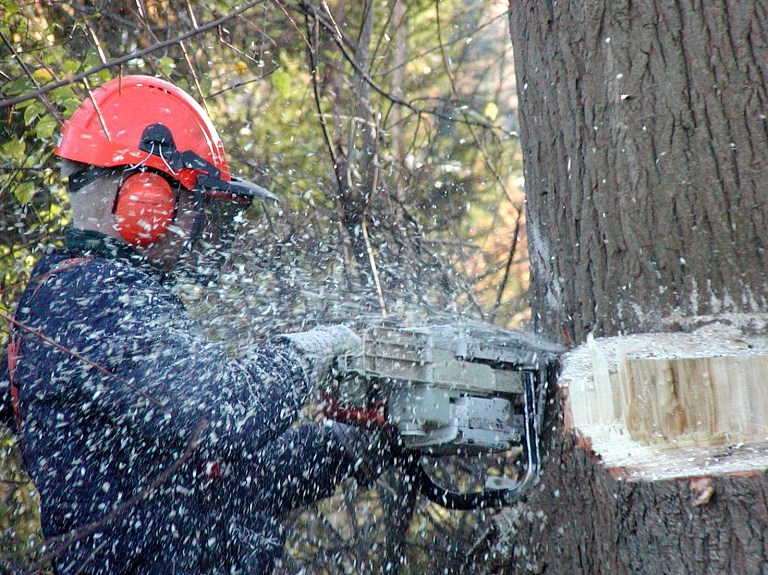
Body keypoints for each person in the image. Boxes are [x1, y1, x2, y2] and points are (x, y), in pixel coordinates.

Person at [0, 75, 394, 574]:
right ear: (146, 198)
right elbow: (228, 415)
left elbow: (222, 479)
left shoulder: (89, 298)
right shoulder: (94, 300)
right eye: (191, 204)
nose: (198, 227)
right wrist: (309, 350)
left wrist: (346, 444)